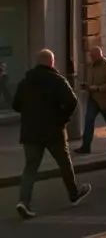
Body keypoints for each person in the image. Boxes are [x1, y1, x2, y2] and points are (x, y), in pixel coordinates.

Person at [12, 49, 92, 219]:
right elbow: (72, 102)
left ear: (37, 62)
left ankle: (23, 202)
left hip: (30, 131)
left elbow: (16, 105)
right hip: (54, 130)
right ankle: (73, 193)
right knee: (64, 162)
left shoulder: (25, 82)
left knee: (30, 167)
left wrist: (29, 112)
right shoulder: (57, 80)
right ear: (51, 62)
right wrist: (62, 119)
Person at [75, 46, 106, 154]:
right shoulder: (92, 65)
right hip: (93, 98)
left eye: (93, 56)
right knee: (89, 120)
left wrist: (99, 88)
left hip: (104, 98)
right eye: (90, 56)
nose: (91, 58)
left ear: (98, 55)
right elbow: (92, 79)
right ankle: (86, 146)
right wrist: (87, 86)